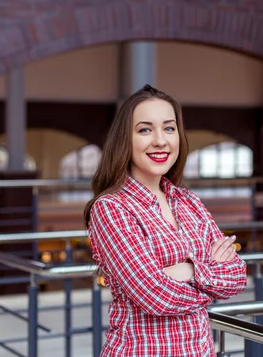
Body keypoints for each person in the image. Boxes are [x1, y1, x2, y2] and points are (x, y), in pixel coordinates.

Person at [84, 84, 247, 356]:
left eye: (169, 128)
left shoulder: (188, 202)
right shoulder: (111, 208)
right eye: (145, 129)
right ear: (125, 139)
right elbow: (155, 296)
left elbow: (237, 276)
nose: (160, 140)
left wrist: (189, 271)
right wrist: (209, 273)